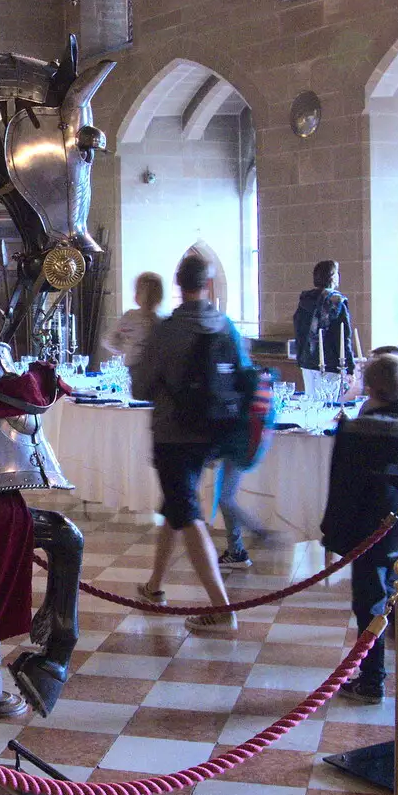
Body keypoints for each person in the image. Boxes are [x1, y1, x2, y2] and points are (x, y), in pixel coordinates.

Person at [321, 350, 398, 702]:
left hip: (368, 530)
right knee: (397, 596)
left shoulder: (361, 433)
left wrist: (335, 533)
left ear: (372, 387)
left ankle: (372, 679)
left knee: (369, 604)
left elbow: (344, 486)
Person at [131, 254, 243, 635]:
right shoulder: (226, 325)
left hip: (173, 434)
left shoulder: (167, 330)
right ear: (208, 285)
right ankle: (154, 585)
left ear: (179, 286)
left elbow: (140, 386)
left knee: (187, 513)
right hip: (213, 433)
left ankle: (221, 608)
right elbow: (243, 375)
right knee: (176, 505)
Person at [294, 259, 357, 395]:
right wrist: (350, 367)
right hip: (330, 362)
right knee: (329, 404)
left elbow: (299, 330)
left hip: (307, 360)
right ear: (332, 277)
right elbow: (342, 336)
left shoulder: (306, 299)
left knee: (312, 402)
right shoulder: (336, 300)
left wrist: (301, 358)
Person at [101, 272, 164, 368]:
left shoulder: (161, 322)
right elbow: (109, 339)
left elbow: (109, 340)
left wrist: (126, 347)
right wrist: (124, 347)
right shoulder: (130, 317)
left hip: (149, 370)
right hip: (137, 368)